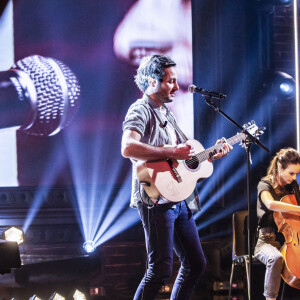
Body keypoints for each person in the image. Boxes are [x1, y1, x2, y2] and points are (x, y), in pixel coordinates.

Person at [121, 54, 232, 300]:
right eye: (170, 81)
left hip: (178, 197)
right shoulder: (141, 109)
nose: (176, 86)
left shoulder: (167, 113)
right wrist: (171, 151)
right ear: (152, 82)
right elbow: (128, 148)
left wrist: (209, 156)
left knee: (195, 263)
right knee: (159, 270)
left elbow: (182, 161)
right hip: (154, 196)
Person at [254, 147, 300, 300]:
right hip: (266, 242)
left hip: (289, 242)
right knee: (276, 258)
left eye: (297, 174)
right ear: (280, 167)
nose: (294, 178)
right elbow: (271, 204)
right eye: (291, 173)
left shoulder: (292, 187)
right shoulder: (264, 185)